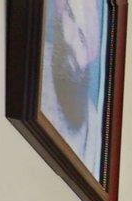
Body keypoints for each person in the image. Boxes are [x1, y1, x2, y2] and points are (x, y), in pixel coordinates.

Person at [39, 0, 105, 177]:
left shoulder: (93, 123)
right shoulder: (37, 65)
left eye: (82, 39)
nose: (71, 38)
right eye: (70, 15)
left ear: (89, 58)